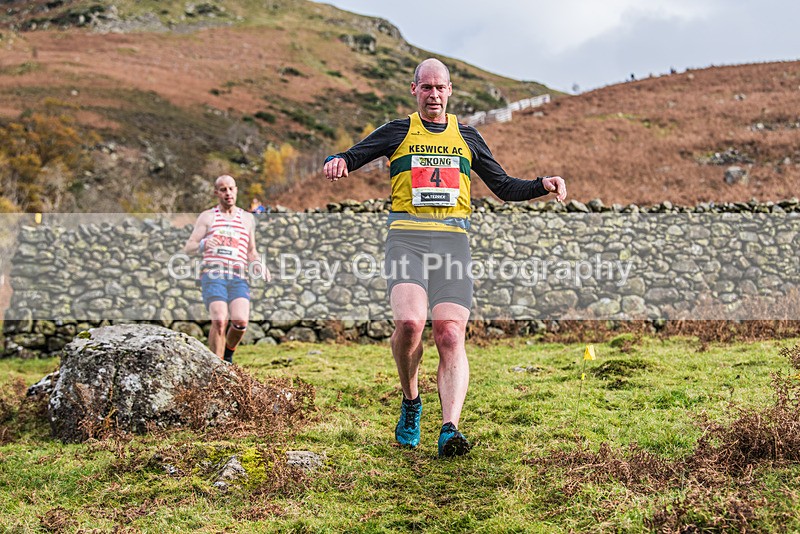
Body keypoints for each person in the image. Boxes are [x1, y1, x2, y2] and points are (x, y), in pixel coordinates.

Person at [322, 58, 567, 457]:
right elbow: (352, 155)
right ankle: (411, 400)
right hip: (407, 242)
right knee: (410, 322)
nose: (434, 95)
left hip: (453, 247)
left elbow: (503, 186)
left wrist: (543, 184)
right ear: (414, 89)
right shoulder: (397, 131)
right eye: (427, 87)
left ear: (450, 91)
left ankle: (450, 428)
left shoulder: (468, 137)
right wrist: (338, 161)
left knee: (450, 334)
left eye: (440, 88)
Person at [184, 175, 270, 363]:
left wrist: (258, 263)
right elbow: (188, 247)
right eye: (223, 189)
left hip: (238, 276)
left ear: (236, 190)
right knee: (220, 320)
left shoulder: (247, 219)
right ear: (216, 193)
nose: (228, 193)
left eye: (231, 189)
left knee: (240, 322)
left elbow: (251, 251)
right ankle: (215, 369)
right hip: (213, 274)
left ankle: (227, 356)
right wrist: (204, 244)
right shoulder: (208, 217)